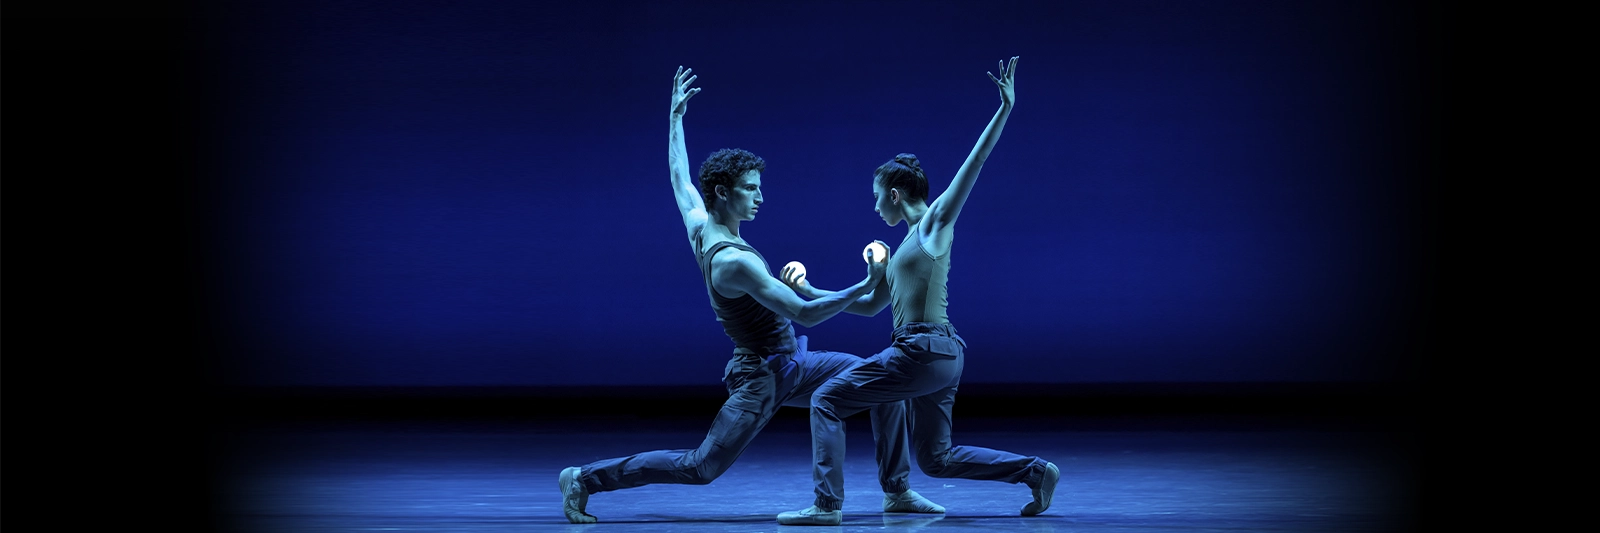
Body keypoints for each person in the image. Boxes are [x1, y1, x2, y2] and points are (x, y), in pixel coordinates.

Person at [557, 66, 944, 525]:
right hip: (761, 375)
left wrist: (675, 117)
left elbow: (680, 179)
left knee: (884, 386)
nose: (760, 198)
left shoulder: (701, 224)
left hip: (794, 362)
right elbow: (804, 312)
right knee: (701, 467)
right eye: (750, 189)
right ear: (723, 193)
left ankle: (896, 491)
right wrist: (864, 284)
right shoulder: (733, 260)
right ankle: (583, 479)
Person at [775, 57, 1060, 526]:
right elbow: (868, 306)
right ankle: (1034, 471)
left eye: (874, 196)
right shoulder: (901, 247)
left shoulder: (932, 225)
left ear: (893, 193)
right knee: (935, 459)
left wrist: (1004, 109)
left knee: (826, 399)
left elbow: (975, 164)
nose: (873, 207)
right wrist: (809, 288)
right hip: (935, 356)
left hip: (923, 351)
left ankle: (827, 506)